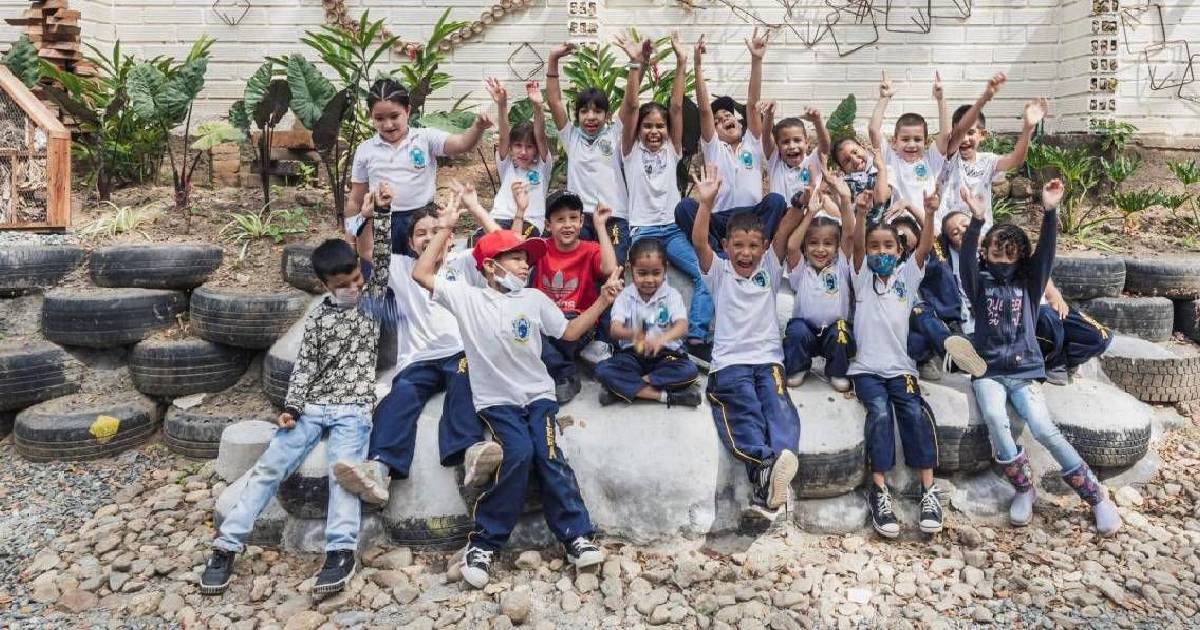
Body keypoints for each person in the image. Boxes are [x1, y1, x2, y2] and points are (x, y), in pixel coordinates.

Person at [413, 217, 622, 588]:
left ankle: (576, 536)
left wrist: (603, 301)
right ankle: (484, 544)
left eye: (527, 259)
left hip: (539, 397)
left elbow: (569, 332)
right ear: (491, 267)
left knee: (549, 455)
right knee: (519, 454)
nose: (526, 265)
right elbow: (421, 273)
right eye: (516, 258)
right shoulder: (468, 298)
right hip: (497, 403)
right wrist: (445, 227)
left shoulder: (534, 299)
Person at [200, 197, 393, 597]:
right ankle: (226, 546)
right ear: (325, 287)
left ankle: (340, 553)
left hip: (353, 410)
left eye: (356, 280)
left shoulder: (372, 302)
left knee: (344, 475)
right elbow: (305, 366)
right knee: (270, 466)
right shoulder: (318, 316)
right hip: (311, 408)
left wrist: (382, 213)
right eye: (342, 285)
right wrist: (291, 407)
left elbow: (383, 255)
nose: (353, 288)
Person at [959, 180, 1122, 534]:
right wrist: (976, 221)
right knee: (995, 418)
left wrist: (1050, 211)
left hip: (1026, 371)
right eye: (996, 252)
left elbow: (1045, 254)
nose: (1003, 259)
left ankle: (1096, 497)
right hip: (988, 371)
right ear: (985, 253)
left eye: (1010, 253)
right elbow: (967, 260)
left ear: (1021, 257)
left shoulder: (1030, 285)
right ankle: (1023, 489)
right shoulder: (979, 284)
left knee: (1043, 428)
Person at [334, 181, 506, 506]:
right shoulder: (402, 268)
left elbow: (503, 247)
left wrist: (473, 207)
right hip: (417, 359)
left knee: (464, 377)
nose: (429, 238)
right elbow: (367, 251)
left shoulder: (463, 263)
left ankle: (471, 450)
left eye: (435, 231)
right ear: (411, 243)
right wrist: (372, 215)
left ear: (450, 237)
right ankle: (379, 468)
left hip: (459, 352)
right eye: (421, 233)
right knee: (401, 394)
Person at [691, 164, 805, 532]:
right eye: (738, 245)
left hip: (769, 361)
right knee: (743, 411)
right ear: (725, 247)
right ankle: (765, 469)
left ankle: (780, 463)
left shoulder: (769, 268)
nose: (746, 252)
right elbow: (699, 242)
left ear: (764, 248)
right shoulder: (719, 272)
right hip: (730, 365)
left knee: (779, 406)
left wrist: (801, 204)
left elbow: (785, 230)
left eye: (754, 245)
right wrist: (705, 204)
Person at [847, 147, 944, 539]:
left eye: (888, 247)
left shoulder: (907, 277)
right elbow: (855, 244)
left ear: (899, 251)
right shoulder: (860, 277)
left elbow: (925, 247)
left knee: (914, 413)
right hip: (866, 370)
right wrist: (859, 214)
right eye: (875, 247)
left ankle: (928, 491)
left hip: (901, 367)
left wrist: (930, 213)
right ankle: (880, 490)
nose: (881, 252)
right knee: (880, 414)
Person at [616, 32, 714, 366]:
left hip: (671, 231)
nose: (654, 131)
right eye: (647, 126)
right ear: (638, 129)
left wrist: (682, 61)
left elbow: (676, 107)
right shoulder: (629, 151)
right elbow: (630, 107)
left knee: (704, 275)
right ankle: (634, 346)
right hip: (642, 231)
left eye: (659, 126)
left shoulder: (673, 149)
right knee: (642, 287)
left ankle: (696, 337)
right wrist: (635, 64)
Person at [675, 30, 790, 253]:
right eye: (718, 121)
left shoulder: (752, 142)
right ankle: (717, 255)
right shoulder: (714, 148)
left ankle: (758, 250)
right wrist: (697, 66)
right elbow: (704, 110)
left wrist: (756, 60)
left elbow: (752, 104)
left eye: (728, 115)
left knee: (776, 200)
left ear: (738, 122)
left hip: (752, 216)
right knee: (685, 207)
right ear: (713, 132)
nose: (724, 119)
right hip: (721, 219)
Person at [347, 78, 491, 255]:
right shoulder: (365, 150)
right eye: (379, 118)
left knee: (423, 267)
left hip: (421, 223)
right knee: (383, 268)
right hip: (380, 221)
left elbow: (462, 143)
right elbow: (356, 200)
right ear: (371, 116)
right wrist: (350, 241)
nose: (388, 124)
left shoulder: (425, 138)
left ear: (407, 111)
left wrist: (478, 127)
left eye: (394, 116)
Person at [868, 71, 1003, 213]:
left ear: (926, 142)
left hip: (928, 222)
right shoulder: (891, 158)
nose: (912, 144)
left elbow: (946, 134)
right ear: (894, 142)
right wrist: (884, 98)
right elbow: (873, 130)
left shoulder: (930, 160)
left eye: (917, 139)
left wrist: (940, 99)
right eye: (905, 139)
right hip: (900, 219)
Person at [546, 42, 631, 264]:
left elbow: (630, 104)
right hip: (580, 221)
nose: (591, 117)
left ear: (607, 115)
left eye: (598, 111)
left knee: (614, 267)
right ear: (577, 115)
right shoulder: (571, 137)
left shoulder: (615, 134)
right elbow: (554, 102)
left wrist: (635, 63)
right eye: (584, 111)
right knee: (577, 266)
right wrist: (553, 59)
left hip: (614, 217)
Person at [888, 196, 988, 382]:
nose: (903, 245)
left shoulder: (927, 256)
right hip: (897, 319)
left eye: (908, 242)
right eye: (898, 240)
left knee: (921, 332)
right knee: (919, 313)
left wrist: (912, 206)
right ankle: (950, 354)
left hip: (934, 318)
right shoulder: (880, 262)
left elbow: (931, 236)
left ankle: (943, 351)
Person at [532, 191, 619, 403]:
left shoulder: (590, 249)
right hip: (545, 321)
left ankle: (561, 371)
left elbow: (609, 269)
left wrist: (600, 226)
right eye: (560, 219)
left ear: (581, 222)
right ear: (548, 224)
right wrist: (519, 213)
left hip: (578, 322)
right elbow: (510, 251)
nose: (568, 225)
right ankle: (565, 367)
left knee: (550, 338)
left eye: (573, 218)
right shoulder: (540, 247)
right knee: (523, 329)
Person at [594, 237, 702, 406]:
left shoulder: (671, 295)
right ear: (630, 269)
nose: (649, 280)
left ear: (665, 269)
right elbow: (614, 330)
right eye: (642, 273)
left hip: (666, 355)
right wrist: (634, 334)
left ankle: (624, 388)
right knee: (602, 370)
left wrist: (661, 339)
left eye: (656, 273)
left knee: (689, 370)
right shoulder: (625, 296)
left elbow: (682, 327)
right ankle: (664, 396)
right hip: (632, 356)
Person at [782, 161, 857, 391]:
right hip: (806, 333)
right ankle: (799, 366)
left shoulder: (841, 266)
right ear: (806, 247)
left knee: (842, 330)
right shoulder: (801, 269)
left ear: (836, 247)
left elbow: (849, 234)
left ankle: (837, 371)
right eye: (813, 243)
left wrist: (845, 199)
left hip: (833, 333)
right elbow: (791, 246)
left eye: (828, 244)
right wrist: (811, 213)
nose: (820, 249)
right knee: (795, 330)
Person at [935, 97, 1048, 233]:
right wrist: (941, 99)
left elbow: (1016, 159)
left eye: (970, 132)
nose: (964, 139)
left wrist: (1028, 128)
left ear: (982, 135)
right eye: (960, 133)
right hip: (949, 232)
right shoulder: (948, 157)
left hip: (980, 233)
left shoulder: (988, 160)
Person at [484, 77, 553, 237]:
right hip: (500, 218)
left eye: (529, 146)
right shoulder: (506, 166)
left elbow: (540, 136)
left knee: (516, 244)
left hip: (530, 222)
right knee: (478, 244)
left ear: (536, 149)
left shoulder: (542, 167)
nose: (523, 152)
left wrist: (538, 107)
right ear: (511, 148)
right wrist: (502, 105)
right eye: (518, 145)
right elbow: (503, 137)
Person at [760, 100, 832, 210]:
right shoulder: (775, 162)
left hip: (807, 215)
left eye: (797, 140)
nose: (792, 146)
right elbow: (766, 136)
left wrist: (817, 121)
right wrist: (769, 114)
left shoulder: (812, 162)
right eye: (785, 142)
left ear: (807, 143)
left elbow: (825, 145)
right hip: (780, 216)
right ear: (778, 146)